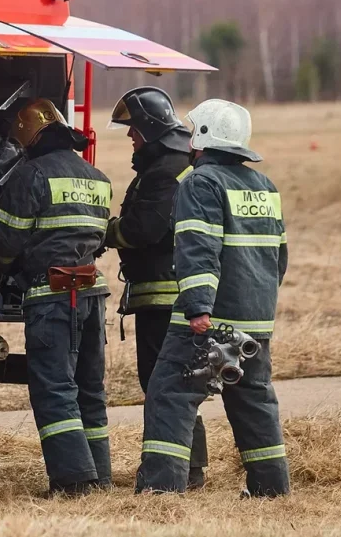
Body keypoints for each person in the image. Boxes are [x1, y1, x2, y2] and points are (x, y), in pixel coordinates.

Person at [135, 99, 290, 498]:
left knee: (170, 394)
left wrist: (199, 307)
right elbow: (279, 256)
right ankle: (271, 490)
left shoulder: (200, 183)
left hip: (211, 321)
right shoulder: (264, 186)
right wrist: (258, 307)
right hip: (255, 320)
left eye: (192, 130)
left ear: (203, 137)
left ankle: (161, 491)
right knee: (254, 401)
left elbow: (197, 248)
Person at [0, 98, 112, 496]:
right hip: (92, 291)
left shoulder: (32, 174)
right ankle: (99, 475)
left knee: (54, 389)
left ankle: (73, 482)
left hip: (54, 295)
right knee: (89, 389)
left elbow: (4, 241)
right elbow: (99, 238)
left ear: (29, 138)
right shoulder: (97, 177)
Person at [103, 87, 208, 488]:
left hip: (164, 296)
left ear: (148, 128)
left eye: (133, 130)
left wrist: (105, 231)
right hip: (173, 293)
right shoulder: (177, 161)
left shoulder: (164, 170)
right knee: (177, 382)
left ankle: (176, 472)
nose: (130, 138)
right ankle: (187, 467)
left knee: (165, 384)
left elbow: (143, 229)